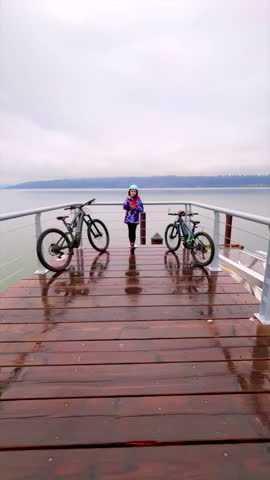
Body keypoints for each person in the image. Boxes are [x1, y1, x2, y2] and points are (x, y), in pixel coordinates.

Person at [123, 184, 144, 252]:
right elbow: (124, 207)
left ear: (136, 192)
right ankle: (131, 244)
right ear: (129, 192)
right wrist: (128, 204)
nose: (133, 192)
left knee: (133, 231)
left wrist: (136, 207)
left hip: (135, 219)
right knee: (130, 231)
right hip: (129, 218)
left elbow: (142, 209)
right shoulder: (127, 198)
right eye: (131, 191)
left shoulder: (138, 199)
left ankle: (133, 244)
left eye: (134, 191)